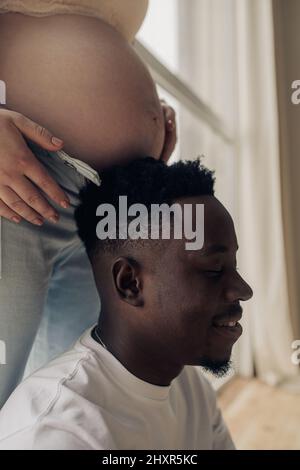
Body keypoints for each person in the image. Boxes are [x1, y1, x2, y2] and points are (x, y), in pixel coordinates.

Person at [0, 157, 253, 450]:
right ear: (130, 283)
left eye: (233, 267)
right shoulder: (54, 436)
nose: (243, 290)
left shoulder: (188, 385)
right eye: (213, 269)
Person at [0, 0, 177, 406]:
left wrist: (150, 106)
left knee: (75, 403)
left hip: (107, 206)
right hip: (18, 187)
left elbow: (101, 42)